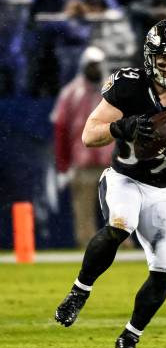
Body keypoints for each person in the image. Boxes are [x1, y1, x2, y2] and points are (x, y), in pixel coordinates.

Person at [54, 19, 166, 348]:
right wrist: (123, 126)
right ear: (149, 58)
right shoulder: (129, 85)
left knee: (165, 267)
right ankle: (78, 293)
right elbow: (89, 134)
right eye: (164, 60)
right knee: (120, 224)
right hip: (124, 178)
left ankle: (129, 338)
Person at [50, 46, 113, 249]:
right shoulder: (70, 93)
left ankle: (121, 248)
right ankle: (88, 249)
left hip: (111, 164)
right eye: (91, 65)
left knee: (118, 211)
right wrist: (63, 165)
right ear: (84, 66)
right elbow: (61, 130)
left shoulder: (113, 91)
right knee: (83, 212)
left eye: (97, 65)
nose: (94, 69)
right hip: (83, 163)